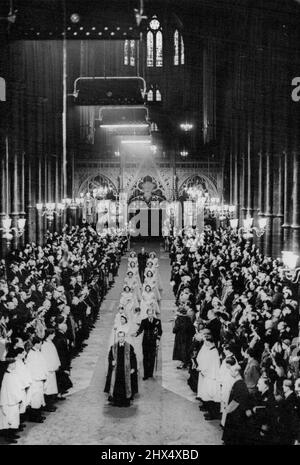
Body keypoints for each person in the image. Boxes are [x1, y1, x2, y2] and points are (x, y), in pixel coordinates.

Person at [104, 330, 138, 407]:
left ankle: (125, 401)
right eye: (119, 336)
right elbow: (110, 357)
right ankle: (116, 401)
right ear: (117, 337)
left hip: (126, 370)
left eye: (122, 336)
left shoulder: (129, 347)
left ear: (124, 337)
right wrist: (111, 361)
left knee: (125, 385)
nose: (121, 338)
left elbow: (133, 358)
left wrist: (133, 368)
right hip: (117, 370)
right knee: (116, 385)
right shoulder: (113, 347)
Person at [222, 363, 250, 445]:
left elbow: (237, 400)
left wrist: (228, 409)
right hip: (235, 410)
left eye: (231, 371)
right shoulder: (239, 383)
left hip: (236, 412)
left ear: (237, 373)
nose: (230, 372)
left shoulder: (240, 384)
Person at [135, 308, 162, 380]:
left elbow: (160, 331)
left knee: (152, 357)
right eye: (149, 314)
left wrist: (158, 340)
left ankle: (150, 373)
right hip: (145, 342)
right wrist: (136, 334)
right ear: (147, 314)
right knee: (146, 358)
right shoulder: (144, 321)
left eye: (151, 314)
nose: (150, 315)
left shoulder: (157, 321)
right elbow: (140, 329)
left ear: (153, 314)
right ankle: (146, 374)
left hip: (153, 341)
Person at [41, 328, 60, 411]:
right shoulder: (45, 345)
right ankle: (48, 406)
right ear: (49, 334)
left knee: (51, 389)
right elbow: (46, 358)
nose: (54, 335)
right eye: (53, 334)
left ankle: (50, 405)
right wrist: (51, 367)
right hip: (49, 370)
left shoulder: (49, 343)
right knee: (48, 389)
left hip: (52, 369)